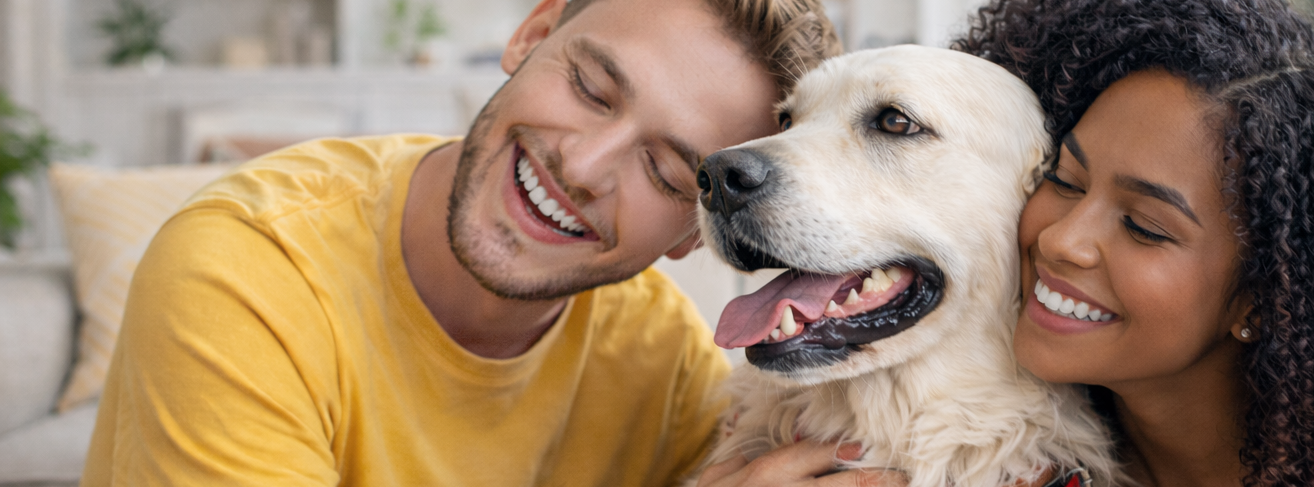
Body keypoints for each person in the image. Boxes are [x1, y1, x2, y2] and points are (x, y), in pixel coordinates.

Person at [79, 0, 853, 485]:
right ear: (532, 34)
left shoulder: (660, 356)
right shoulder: (242, 270)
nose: (581, 166)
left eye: (661, 169)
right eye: (588, 88)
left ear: (694, 231)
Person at [957, 0, 1314, 485]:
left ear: (1264, 294)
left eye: (1144, 226)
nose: (1062, 240)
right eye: (1064, 180)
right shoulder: (1000, 441)